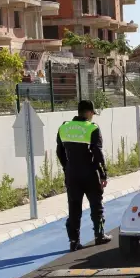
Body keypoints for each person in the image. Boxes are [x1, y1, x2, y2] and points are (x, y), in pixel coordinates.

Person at [56, 100, 111, 252]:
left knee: (74, 208)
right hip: (89, 173)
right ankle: (99, 236)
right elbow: (97, 153)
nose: (93, 116)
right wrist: (103, 174)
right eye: (92, 113)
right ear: (88, 112)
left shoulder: (64, 127)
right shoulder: (92, 128)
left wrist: (66, 168)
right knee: (96, 205)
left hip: (72, 174)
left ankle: (74, 241)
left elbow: (59, 152)